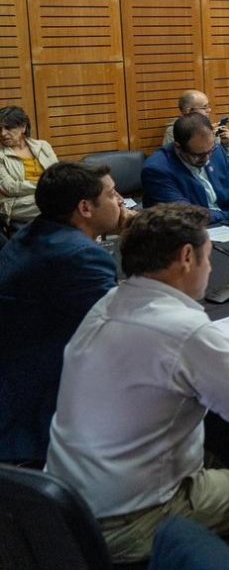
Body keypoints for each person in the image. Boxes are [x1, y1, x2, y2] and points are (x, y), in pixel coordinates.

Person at [44, 204, 229, 564]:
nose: (210, 268)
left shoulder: (111, 303)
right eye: (208, 256)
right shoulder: (183, 328)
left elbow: (193, 363)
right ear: (187, 257)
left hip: (68, 509)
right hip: (134, 519)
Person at [0, 162, 127, 464]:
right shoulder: (79, 255)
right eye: (112, 194)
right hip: (41, 402)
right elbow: (122, 329)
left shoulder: (36, 231)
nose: (121, 201)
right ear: (85, 208)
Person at [142, 114, 229, 224]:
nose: (207, 159)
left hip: (225, 226)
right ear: (178, 147)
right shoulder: (157, 170)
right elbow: (189, 215)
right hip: (185, 231)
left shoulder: (217, 151)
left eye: (210, 151)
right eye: (199, 155)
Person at [161, 91, 229, 201]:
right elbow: (175, 163)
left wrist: (225, 143)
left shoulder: (207, 127)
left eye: (208, 106)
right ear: (188, 111)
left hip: (219, 174)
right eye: (204, 107)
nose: (209, 110)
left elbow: (226, 159)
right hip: (197, 176)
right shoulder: (174, 131)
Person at [0, 105, 58, 229]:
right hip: (17, 205)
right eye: (0, 129)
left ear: (23, 127)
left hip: (46, 195)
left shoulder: (43, 146)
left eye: (8, 128)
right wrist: (46, 185)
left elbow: (57, 175)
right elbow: (9, 188)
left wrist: (53, 186)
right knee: (61, 201)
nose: (3, 133)